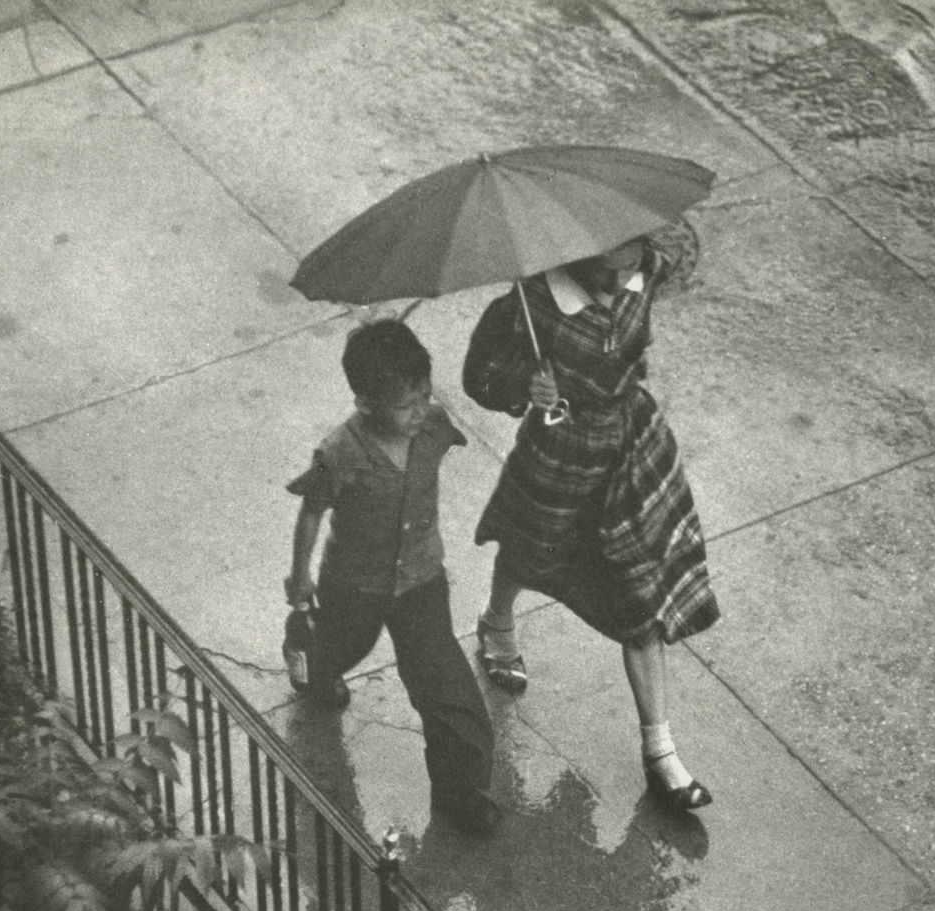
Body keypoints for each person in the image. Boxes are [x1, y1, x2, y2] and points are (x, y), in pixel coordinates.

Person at [461, 222, 718, 812]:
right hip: (561, 457)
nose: (613, 276)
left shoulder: (642, 271)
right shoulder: (528, 304)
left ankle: (660, 754)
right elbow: (479, 376)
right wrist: (524, 384)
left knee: (641, 595)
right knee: (527, 549)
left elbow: (669, 269)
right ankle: (497, 625)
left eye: (623, 261)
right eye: (600, 265)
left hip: (631, 453)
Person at [286, 318, 498, 828]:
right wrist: (300, 576)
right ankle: (313, 665)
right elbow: (312, 510)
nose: (419, 410)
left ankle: (459, 791)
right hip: (353, 585)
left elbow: (458, 426)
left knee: (448, 691)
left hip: (422, 582)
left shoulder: (434, 426)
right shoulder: (338, 452)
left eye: (425, 394)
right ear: (365, 403)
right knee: (342, 648)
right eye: (405, 403)